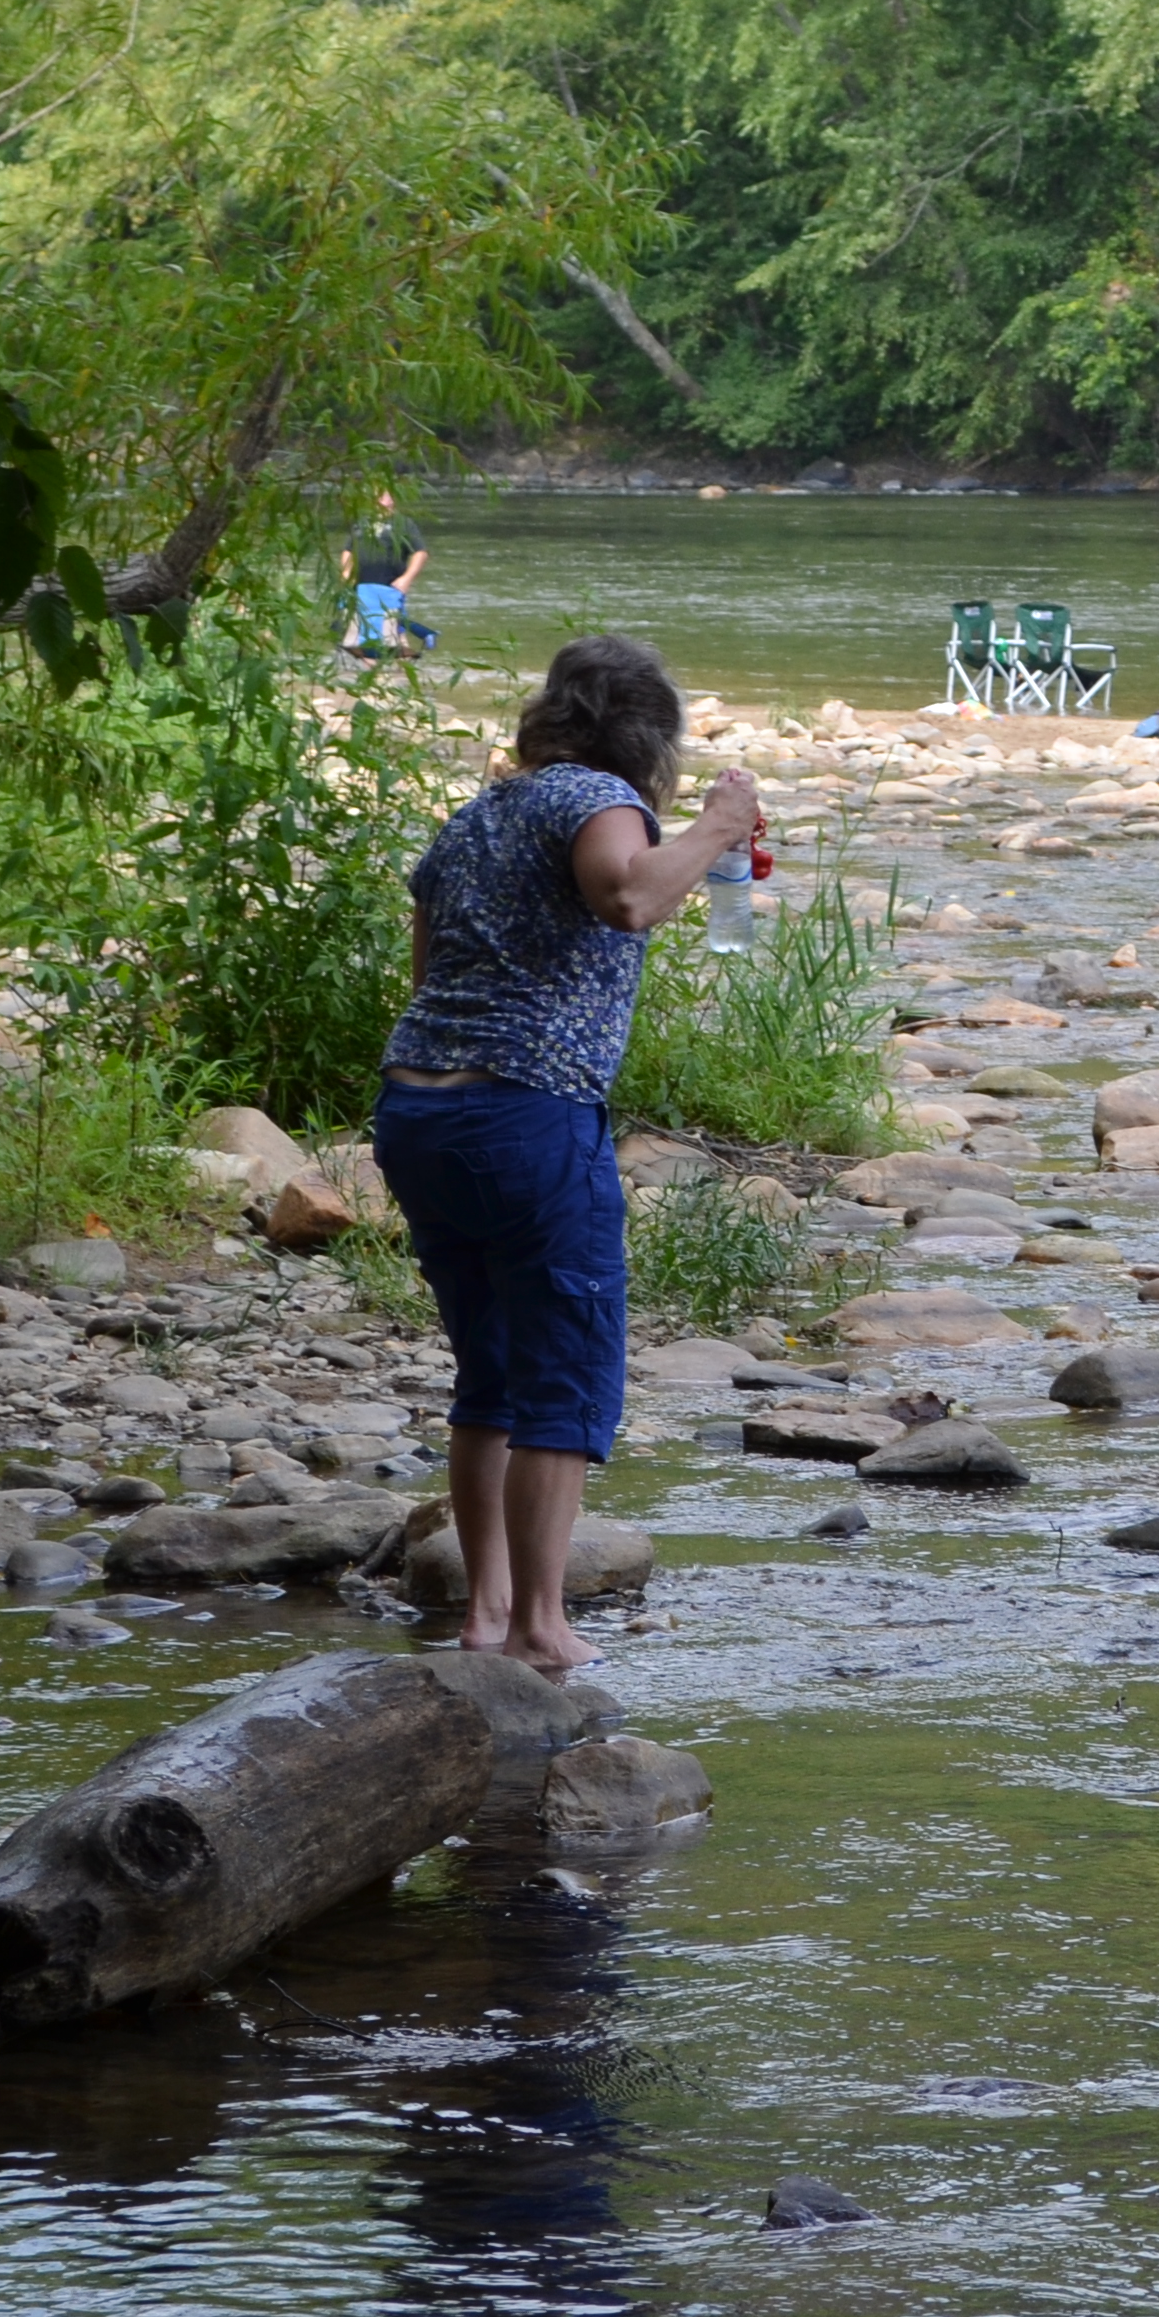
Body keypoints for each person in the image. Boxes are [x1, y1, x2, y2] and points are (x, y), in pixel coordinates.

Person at [371, 636, 761, 1670]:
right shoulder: (598, 800)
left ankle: (485, 1611)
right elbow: (626, 896)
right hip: (525, 1114)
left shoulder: (473, 821)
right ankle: (543, 1629)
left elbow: (428, 975)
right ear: (645, 738)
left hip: (417, 1110)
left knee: (488, 1372)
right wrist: (719, 825)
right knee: (565, 1370)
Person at [341, 495, 438, 658]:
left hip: (389, 585)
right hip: (361, 586)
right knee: (357, 632)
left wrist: (406, 578)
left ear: (393, 500)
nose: (382, 499)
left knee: (390, 630)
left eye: (386, 495)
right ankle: (373, 668)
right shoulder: (362, 522)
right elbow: (348, 550)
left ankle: (397, 667)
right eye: (378, 495)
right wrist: (346, 572)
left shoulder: (404, 524)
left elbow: (420, 553)